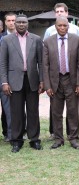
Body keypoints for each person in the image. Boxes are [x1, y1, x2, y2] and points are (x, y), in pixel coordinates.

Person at [0, 14, 43, 153]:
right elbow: (3, 63)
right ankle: (17, 141)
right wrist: (4, 82)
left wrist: (42, 80)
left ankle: (34, 139)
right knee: (16, 112)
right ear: (14, 24)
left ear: (27, 24)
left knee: (33, 111)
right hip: (13, 81)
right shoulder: (6, 40)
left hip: (32, 80)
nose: (21, 24)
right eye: (18, 22)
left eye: (24, 22)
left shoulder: (36, 39)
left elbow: (41, 63)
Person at [44, 3, 79, 141]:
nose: (62, 27)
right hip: (55, 80)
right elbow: (45, 65)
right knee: (56, 112)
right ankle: (58, 139)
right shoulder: (48, 41)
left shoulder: (76, 40)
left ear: (68, 26)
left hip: (71, 80)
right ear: (55, 26)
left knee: (73, 111)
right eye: (59, 25)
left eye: (64, 25)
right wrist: (47, 86)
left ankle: (73, 138)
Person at [0, 13, 16, 142]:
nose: (11, 23)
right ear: (5, 23)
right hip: (3, 76)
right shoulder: (2, 38)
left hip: (11, 78)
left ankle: (12, 134)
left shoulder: (22, 37)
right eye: (9, 21)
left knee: (10, 108)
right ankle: (7, 132)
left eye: (13, 20)